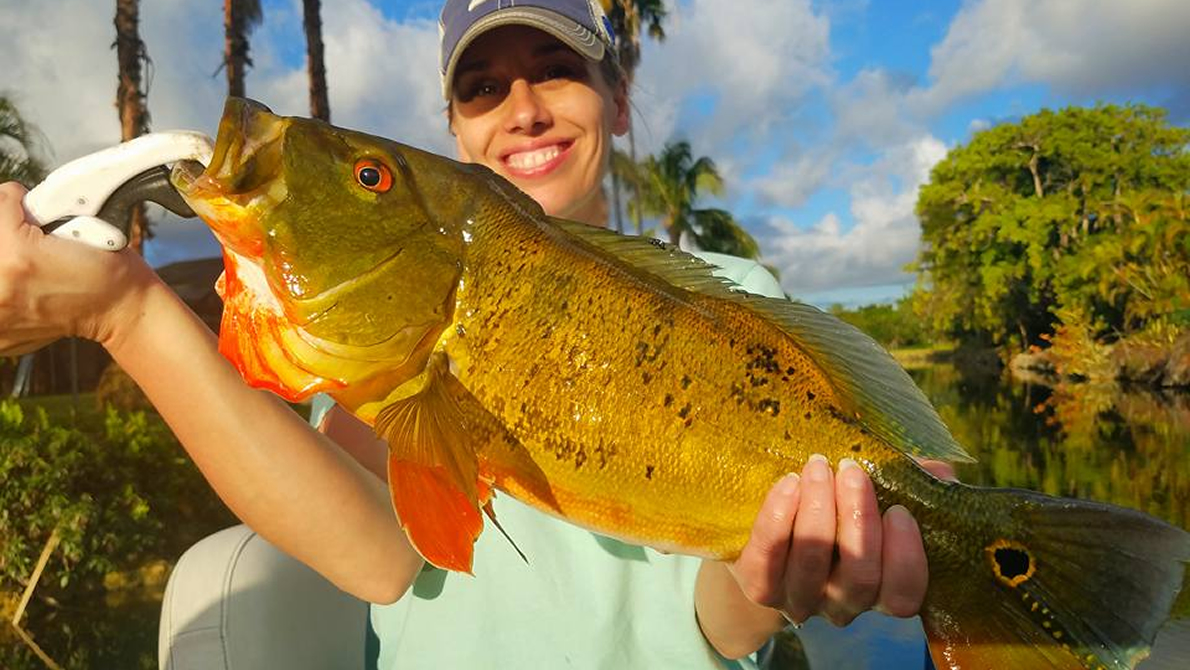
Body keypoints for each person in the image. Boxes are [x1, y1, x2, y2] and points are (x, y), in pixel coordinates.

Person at [0, 0, 951, 666]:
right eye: (483, 88)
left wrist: (774, 575)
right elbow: (377, 556)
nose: (524, 107)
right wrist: (123, 311)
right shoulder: (391, 343)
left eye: (557, 71)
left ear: (616, 102)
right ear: (455, 134)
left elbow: (720, 627)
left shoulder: (736, 302)